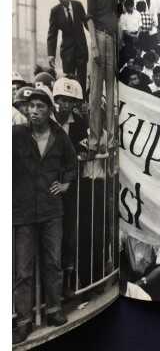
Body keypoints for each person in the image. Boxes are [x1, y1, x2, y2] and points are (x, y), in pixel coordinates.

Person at [13, 88, 77, 344]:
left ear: (49, 110)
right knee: (23, 270)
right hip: (23, 211)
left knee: (52, 263)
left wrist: (65, 184)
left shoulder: (60, 136)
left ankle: (54, 310)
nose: (34, 110)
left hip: (52, 211)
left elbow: (71, 164)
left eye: (40, 106)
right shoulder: (16, 135)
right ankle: (23, 322)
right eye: (31, 106)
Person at [53, 77, 88, 297]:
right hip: (50, 186)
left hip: (72, 185)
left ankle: (69, 280)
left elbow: (83, 151)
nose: (65, 105)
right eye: (62, 100)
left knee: (70, 232)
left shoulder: (80, 124)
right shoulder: (48, 121)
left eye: (70, 100)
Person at [87, 0, 118, 158]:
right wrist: (94, 45)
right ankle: (94, 141)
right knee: (96, 94)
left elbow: (115, 19)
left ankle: (110, 141)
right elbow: (89, 16)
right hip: (98, 36)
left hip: (111, 39)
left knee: (111, 91)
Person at [47, 0, 89, 94]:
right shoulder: (55, 11)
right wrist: (51, 54)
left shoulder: (78, 6)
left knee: (82, 83)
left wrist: (98, 35)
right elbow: (52, 34)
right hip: (67, 54)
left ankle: (83, 107)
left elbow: (87, 24)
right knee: (69, 85)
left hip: (81, 51)